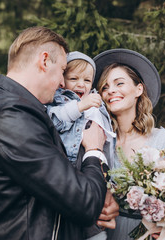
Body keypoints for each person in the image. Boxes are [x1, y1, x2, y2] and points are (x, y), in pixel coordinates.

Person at [0, 26, 118, 240]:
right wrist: (94, 150)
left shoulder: (21, 110)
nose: (61, 83)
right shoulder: (10, 117)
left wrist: (103, 193)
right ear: (45, 61)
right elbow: (84, 202)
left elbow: (58, 184)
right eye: (62, 71)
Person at [93, 49, 165, 240]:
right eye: (105, 87)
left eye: (119, 83)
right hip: (108, 233)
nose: (111, 91)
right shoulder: (100, 141)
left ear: (139, 89)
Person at [46, 51, 117, 240]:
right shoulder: (59, 100)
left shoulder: (97, 102)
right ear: (62, 80)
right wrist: (79, 106)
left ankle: (95, 233)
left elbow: (107, 138)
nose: (80, 84)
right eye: (74, 78)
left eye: (87, 80)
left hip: (96, 164)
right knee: (79, 204)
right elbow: (55, 120)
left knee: (95, 208)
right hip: (71, 164)